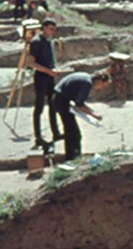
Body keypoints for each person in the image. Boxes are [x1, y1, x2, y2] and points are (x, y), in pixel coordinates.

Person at [52, 71, 111, 160]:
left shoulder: (86, 77)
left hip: (61, 98)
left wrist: (91, 111)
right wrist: (94, 115)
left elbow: (79, 102)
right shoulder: (87, 83)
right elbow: (79, 105)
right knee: (72, 132)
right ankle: (72, 157)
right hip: (61, 101)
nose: (101, 88)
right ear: (99, 80)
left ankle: (73, 155)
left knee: (71, 131)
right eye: (103, 85)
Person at [27, 19, 63, 148]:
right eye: (50, 29)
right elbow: (31, 63)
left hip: (50, 76)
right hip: (41, 77)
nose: (52, 32)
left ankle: (56, 132)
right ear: (44, 28)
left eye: (54, 29)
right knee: (39, 107)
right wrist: (48, 71)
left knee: (53, 105)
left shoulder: (50, 41)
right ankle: (38, 137)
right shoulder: (36, 42)